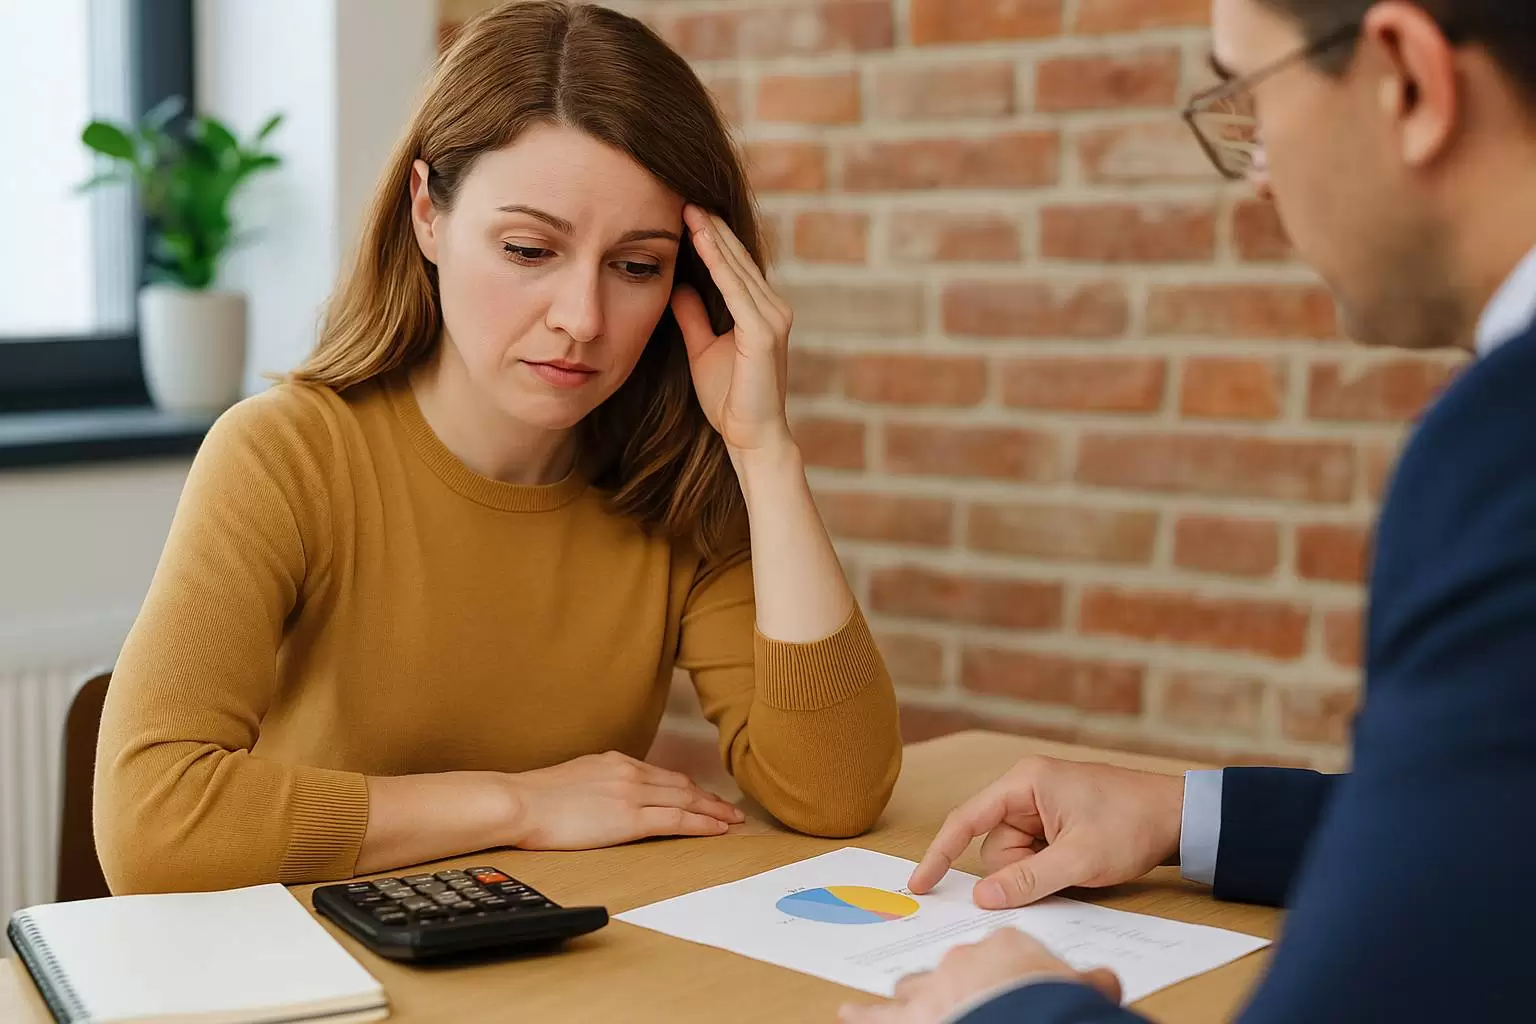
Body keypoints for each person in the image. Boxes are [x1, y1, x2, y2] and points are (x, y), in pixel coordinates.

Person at [92, 0, 902, 895]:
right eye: (528, 249)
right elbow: (150, 823)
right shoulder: (286, 456)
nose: (582, 320)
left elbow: (835, 791)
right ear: (427, 215)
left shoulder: (671, 479)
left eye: (637, 267)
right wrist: (519, 806)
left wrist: (765, 452)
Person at [841, 0, 1536, 1021]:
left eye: (1252, 95)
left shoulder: (1505, 447)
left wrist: (1011, 1005)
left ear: (1412, 83)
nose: (1257, 177)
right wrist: (1189, 814)